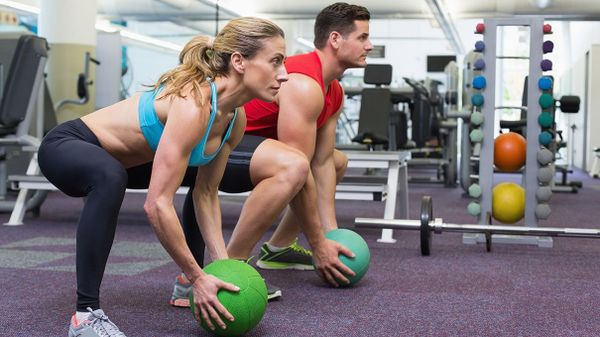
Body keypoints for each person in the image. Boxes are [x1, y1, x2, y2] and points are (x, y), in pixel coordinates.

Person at [38, 17, 288, 337]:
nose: (284, 74)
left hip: (124, 163)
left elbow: (206, 193)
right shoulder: (193, 104)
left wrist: (223, 267)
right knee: (110, 176)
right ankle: (86, 315)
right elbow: (156, 204)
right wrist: (199, 276)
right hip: (68, 146)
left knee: (192, 177)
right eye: (276, 61)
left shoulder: (233, 119)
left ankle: (188, 284)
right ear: (239, 61)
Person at [170, 2, 372, 305]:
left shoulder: (334, 91)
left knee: (336, 161)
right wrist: (318, 245)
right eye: (362, 37)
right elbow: (301, 168)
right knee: (292, 168)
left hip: (248, 145)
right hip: (219, 141)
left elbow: (323, 160)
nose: (370, 46)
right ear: (335, 40)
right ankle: (230, 270)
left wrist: (331, 234)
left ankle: (278, 249)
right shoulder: (304, 84)